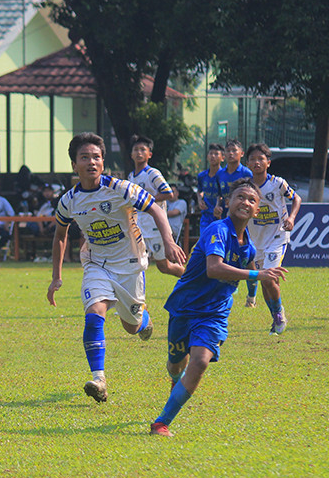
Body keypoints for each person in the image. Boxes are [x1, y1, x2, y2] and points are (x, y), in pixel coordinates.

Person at [47, 132, 185, 403]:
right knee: (94, 313)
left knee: (131, 327)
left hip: (130, 264)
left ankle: (143, 318)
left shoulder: (120, 188)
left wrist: (168, 242)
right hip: (96, 263)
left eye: (96, 157)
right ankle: (99, 379)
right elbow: (60, 235)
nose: (91, 162)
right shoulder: (69, 201)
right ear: (74, 164)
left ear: (103, 161)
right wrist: (56, 277)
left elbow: (156, 209)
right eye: (84, 157)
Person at [150, 179, 287, 437]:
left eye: (251, 200)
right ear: (227, 203)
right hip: (185, 307)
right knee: (175, 365)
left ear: (257, 210)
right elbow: (214, 268)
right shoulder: (217, 229)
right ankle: (175, 378)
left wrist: (261, 299)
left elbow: (252, 276)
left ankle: (161, 422)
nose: (245, 202)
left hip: (214, 313)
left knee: (200, 361)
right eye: (240, 197)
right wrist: (257, 276)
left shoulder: (250, 248)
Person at [244, 143, 302, 334]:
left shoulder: (277, 183)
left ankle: (279, 314)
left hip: (277, 236)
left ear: (268, 163)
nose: (256, 162)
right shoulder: (246, 187)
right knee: (265, 281)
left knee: (268, 278)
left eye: (260, 159)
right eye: (252, 159)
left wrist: (291, 218)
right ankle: (275, 318)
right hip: (256, 239)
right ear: (248, 163)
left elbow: (296, 198)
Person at [126, 135, 185, 277]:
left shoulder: (152, 173)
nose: (139, 153)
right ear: (131, 154)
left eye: (143, 150)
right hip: (138, 226)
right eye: (136, 150)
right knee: (136, 263)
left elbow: (168, 193)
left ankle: (195, 280)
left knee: (164, 266)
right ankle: (136, 296)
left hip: (155, 226)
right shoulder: (130, 176)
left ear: (149, 154)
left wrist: (146, 201)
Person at [211, 139, 253, 222]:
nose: (231, 153)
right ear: (224, 154)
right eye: (228, 151)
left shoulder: (246, 173)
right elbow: (219, 195)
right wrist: (217, 206)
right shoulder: (220, 174)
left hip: (242, 217)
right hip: (225, 217)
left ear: (242, 153)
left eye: (234, 150)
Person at [195, 144, 224, 233]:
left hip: (221, 216)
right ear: (207, 156)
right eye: (211, 153)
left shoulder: (224, 176)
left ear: (222, 158)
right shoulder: (202, 176)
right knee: (204, 242)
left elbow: (224, 194)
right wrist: (200, 200)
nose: (213, 156)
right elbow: (199, 191)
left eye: (216, 154)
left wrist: (218, 204)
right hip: (206, 216)